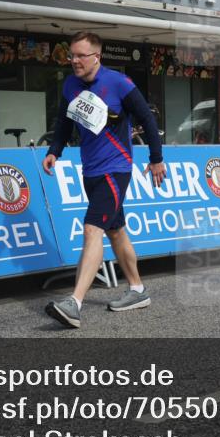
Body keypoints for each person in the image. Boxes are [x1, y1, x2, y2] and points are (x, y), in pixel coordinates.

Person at [42, 32, 166, 328]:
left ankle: (75, 302)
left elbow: (147, 119)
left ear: (96, 57)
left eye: (80, 56)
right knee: (116, 231)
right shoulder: (71, 85)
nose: (74, 61)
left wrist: (156, 158)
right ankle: (137, 290)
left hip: (115, 169)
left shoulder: (118, 83)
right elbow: (64, 121)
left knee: (92, 229)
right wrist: (54, 151)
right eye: (71, 55)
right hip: (91, 171)